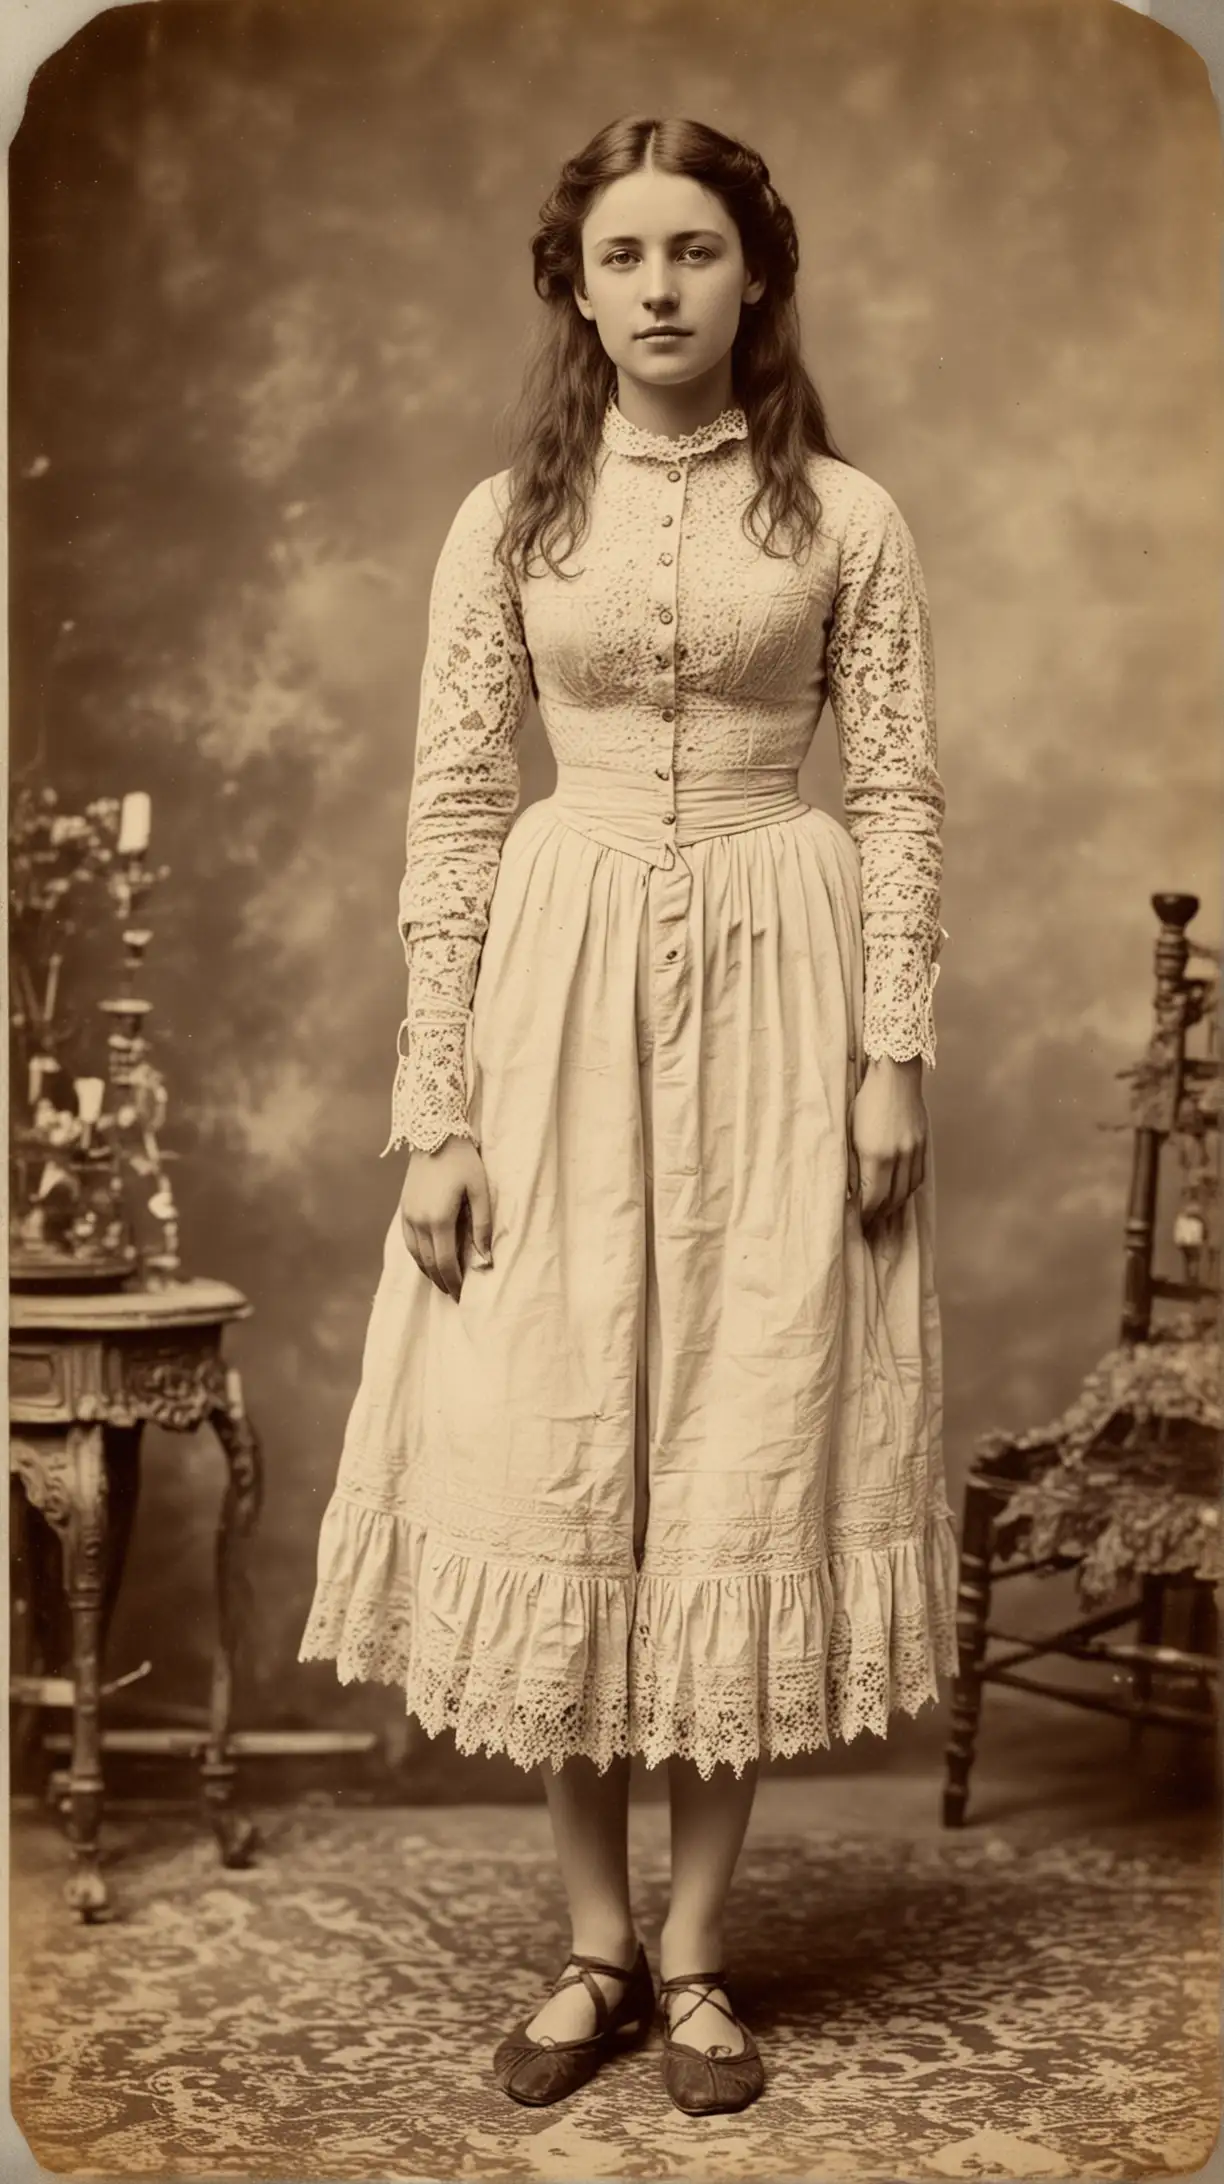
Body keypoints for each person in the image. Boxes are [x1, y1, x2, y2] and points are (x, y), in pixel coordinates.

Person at [300, 113, 959, 2118]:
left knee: (744, 1438)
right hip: (560, 992)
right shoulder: (510, 520)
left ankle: (696, 1960)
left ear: (758, 275)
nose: (660, 285)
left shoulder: (845, 519)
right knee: (576, 1437)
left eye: (693, 250)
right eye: (622, 256)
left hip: (784, 977)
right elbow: (456, 811)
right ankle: (588, 1948)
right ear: (575, 289)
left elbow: (905, 792)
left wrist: (890, 1049)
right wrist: (441, 1111)